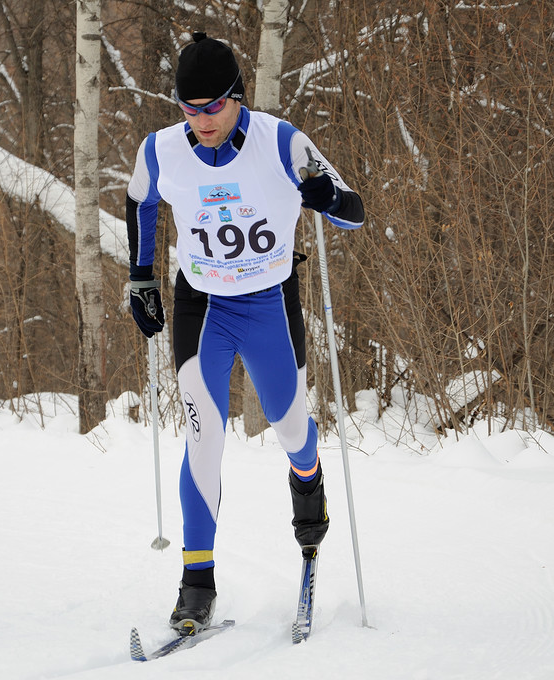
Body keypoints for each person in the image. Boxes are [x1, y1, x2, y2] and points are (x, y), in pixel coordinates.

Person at [125, 32, 365, 634]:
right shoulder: (161, 150)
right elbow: (139, 202)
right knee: (203, 439)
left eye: (212, 106)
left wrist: (324, 194)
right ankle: (195, 582)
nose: (201, 120)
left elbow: (353, 212)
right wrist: (141, 279)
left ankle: (308, 486)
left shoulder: (281, 141)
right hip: (202, 309)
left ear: (237, 97)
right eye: (188, 108)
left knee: (290, 428)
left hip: (267, 305)